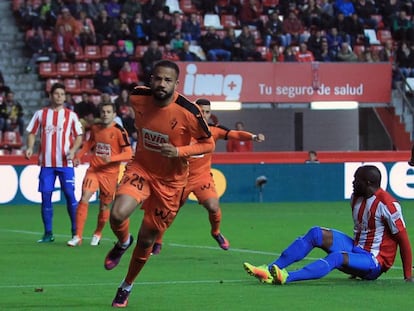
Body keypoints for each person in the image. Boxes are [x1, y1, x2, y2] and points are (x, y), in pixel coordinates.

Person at [104, 60, 215, 308]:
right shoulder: (137, 96)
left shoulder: (190, 111)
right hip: (142, 168)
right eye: (158, 78)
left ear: (176, 84)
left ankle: (126, 286)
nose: (161, 84)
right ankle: (122, 242)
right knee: (117, 214)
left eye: (167, 80)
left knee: (146, 240)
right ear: (151, 79)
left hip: (171, 183)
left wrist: (179, 151)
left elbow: (208, 144)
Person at [243, 165, 413, 285]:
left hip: (373, 262)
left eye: (357, 180)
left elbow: (403, 241)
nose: (353, 183)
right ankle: (271, 269)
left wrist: (408, 275)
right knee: (316, 233)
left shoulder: (388, 205)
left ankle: (287, 277)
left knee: (337, 257)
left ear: (369, 183)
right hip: (356, 249)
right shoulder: (356, 198)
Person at [151, 98, 265, 255]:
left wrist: (252, 137)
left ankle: (216, 232)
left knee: (213, 206)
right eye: (201, 111)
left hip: (202, 178)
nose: (204, 114)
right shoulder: (181, 129)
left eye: (207, 112)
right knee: (170, 212)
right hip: (180, 178)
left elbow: (235, 134)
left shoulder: (213, 130)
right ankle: (158, 240)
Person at [67, 102, 133, 247]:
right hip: (94, 171)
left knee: (104, 206)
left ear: (114, 115)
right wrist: (79, 155)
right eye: (103, 111)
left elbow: (129, 153)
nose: (105, 114)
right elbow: (89, 143)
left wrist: (112, 159)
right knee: (84, 198)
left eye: (108, 112)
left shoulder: (119, 131)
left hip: (110, 175)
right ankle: (77, 236)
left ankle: (97, 233)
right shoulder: (96, 128)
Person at [25, 82, 84, 243]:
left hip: (65, 163)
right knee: (46, 196)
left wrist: (73, 151)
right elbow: (31, 132)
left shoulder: (71, 115)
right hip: (47, 164)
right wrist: (30, 147)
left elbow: (79, 136)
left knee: (70, 195)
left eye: (62, 94)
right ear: (51, 96)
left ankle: (75, 232)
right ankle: (48, 233)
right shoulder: (41, 114)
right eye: (56, 93)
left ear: (65, 97)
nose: (59, 97)